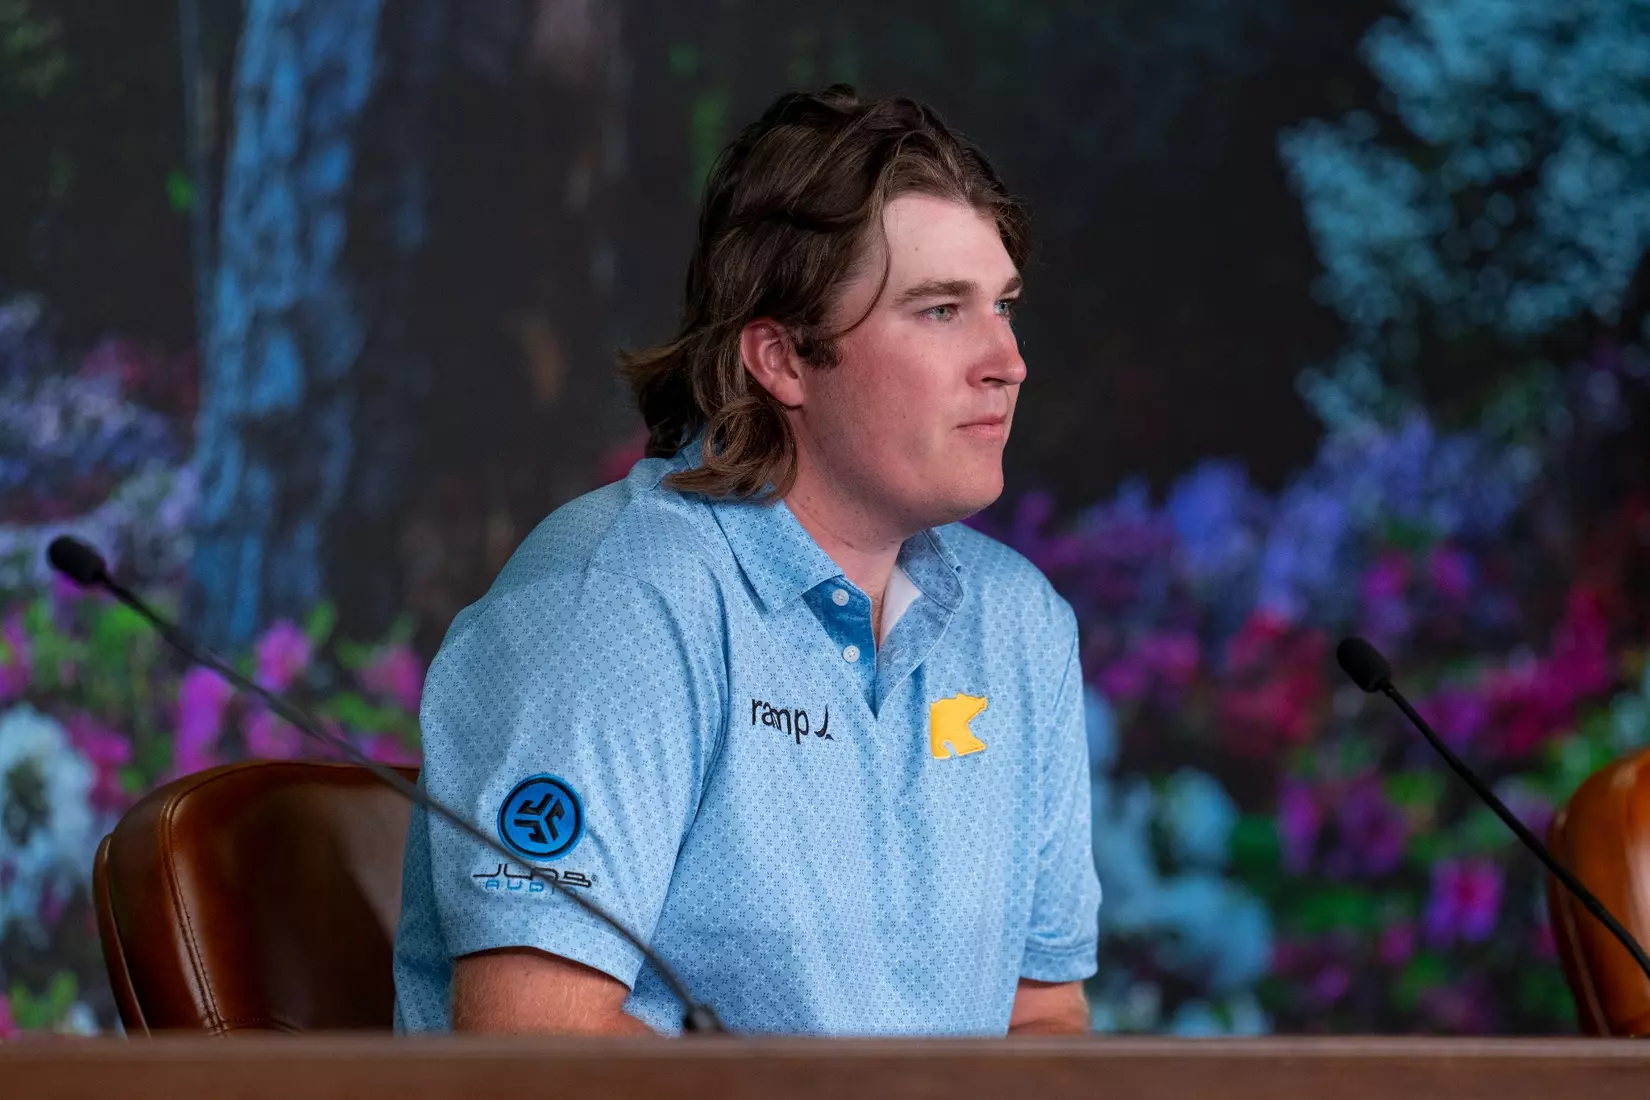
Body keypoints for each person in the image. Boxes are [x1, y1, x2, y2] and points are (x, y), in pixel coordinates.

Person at [393, 84, 1100, 1037]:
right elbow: (535, 1043)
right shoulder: (612, 604)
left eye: (1003, 307)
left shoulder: (1020, 624)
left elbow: (1042, 1016)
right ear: (782, 359)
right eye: (940, 310)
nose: (1005, 360)